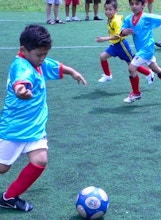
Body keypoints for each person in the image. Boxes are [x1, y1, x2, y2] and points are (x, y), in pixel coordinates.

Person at [0, 25, 87, 212]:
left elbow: (54, 66)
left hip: (35, 128)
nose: (43, 58)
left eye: (45, 54)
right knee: (3, 167)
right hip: (15, 128)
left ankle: (9, 197)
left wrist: (72, 72)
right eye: (39, 55)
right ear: (24, 50)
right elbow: (20, 84)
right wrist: (21, 92)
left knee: (40, 160)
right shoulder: (21, 66)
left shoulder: (37, 62)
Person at [120, 0, 161, 103]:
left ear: (143, 5)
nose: (134, 6)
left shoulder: (147, 17)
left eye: (137, 4)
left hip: (147, 48)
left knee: (131, 68)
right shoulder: (128, 19)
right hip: (141, 49)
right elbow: (122, 31)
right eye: (132, 4)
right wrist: (123, 32)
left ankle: (136, 93)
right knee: (156, 69)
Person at [96, 0, 154, 84]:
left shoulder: (116, 21)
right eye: (106, 9)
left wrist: (104, 38)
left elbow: (119, 35)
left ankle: (149, 73)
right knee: (102, 57)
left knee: (132, 64)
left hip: (121, 45)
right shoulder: (110, 19)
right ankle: (108, 75)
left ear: (115, 10)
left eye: (110, 9)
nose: (107, 12)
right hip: (115, 45)